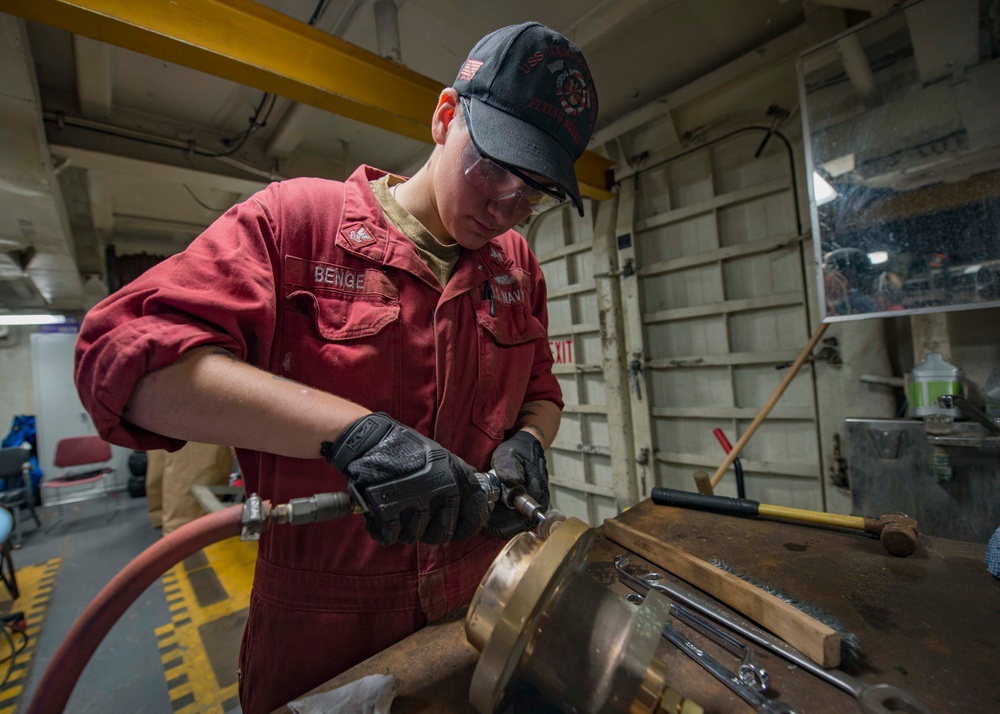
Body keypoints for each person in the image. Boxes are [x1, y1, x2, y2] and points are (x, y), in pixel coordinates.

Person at [74, 21, 598, 714]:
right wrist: (354, 436)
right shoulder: (296, 226)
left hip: (478, 604)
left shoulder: (516, 267)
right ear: (446, 117)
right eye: (496, 166)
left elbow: (540, 387)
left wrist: (531, 440)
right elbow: (123, 362)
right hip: (321, 626)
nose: (508, 206)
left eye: (532, 193)